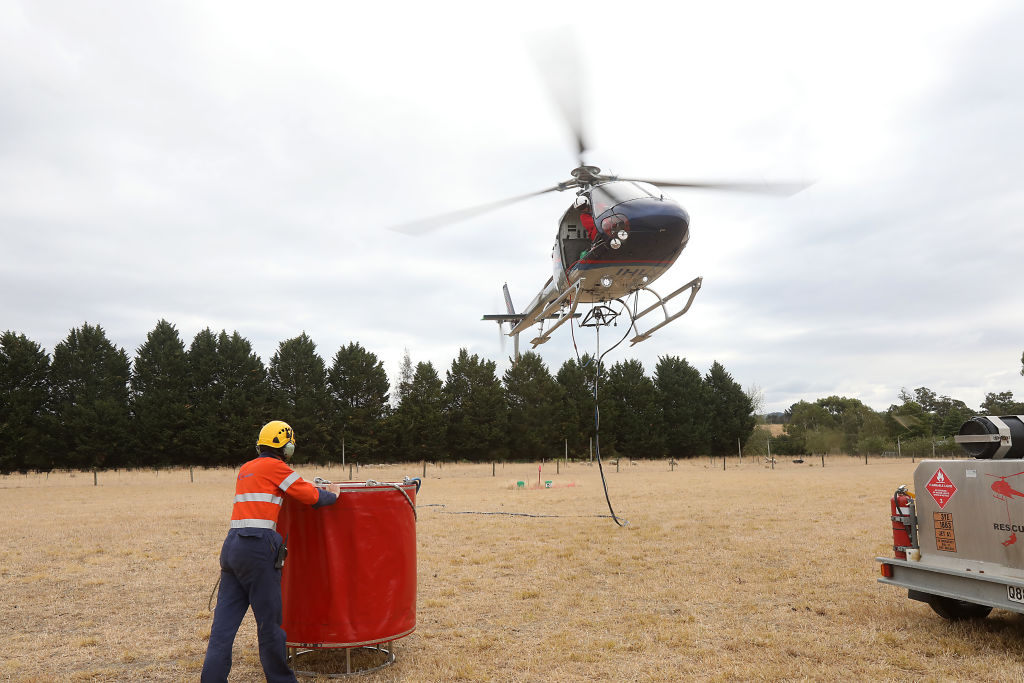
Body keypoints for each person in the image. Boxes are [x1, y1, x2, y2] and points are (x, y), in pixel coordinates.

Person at [201, 420, 342, 683]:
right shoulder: (278, 467)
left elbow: (273, 489)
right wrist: (332, 494)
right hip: (258, 549)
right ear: (286, 446)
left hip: (232, 548)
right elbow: (312, 498)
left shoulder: (246, 468)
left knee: (222, 631)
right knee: (269, 627)